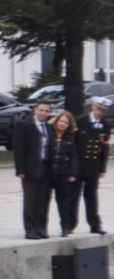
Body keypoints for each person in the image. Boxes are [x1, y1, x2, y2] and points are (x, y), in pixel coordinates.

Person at [13, 100, 54, 240]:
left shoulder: (48, 127)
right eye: (41, 110)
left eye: (47, 111)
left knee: (43, 199)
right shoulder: (25, 126)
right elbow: (19, 149)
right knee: (31, 200)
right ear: (35, 110)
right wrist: (20, 170)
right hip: (30, 168)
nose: (44, 113)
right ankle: (30, 229)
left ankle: (40, 227)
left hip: (45, 167)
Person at [74, 97, 110, 235]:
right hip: (79, 164)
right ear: (93, 106)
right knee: (73, 195)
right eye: (98, 109)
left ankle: (95, 224)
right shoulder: (81, 121)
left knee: (91, 195)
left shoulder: (104, 125)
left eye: (103, 110)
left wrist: (102, 168)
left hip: (93, 166)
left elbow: (104, 147)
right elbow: (74, 144)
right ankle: (69, 224)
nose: (100, 112)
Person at [47, 110, 80, 237]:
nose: (63, 124)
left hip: (63, 173)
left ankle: (65, 227)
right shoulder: (49, 134)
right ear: (56, 121)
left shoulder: (70, 138)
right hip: (49, 173)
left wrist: (73, 173)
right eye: (61, 121)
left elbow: (73, 156)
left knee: (64, 202)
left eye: (66, 122)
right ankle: (42, 227)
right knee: (44, 201)